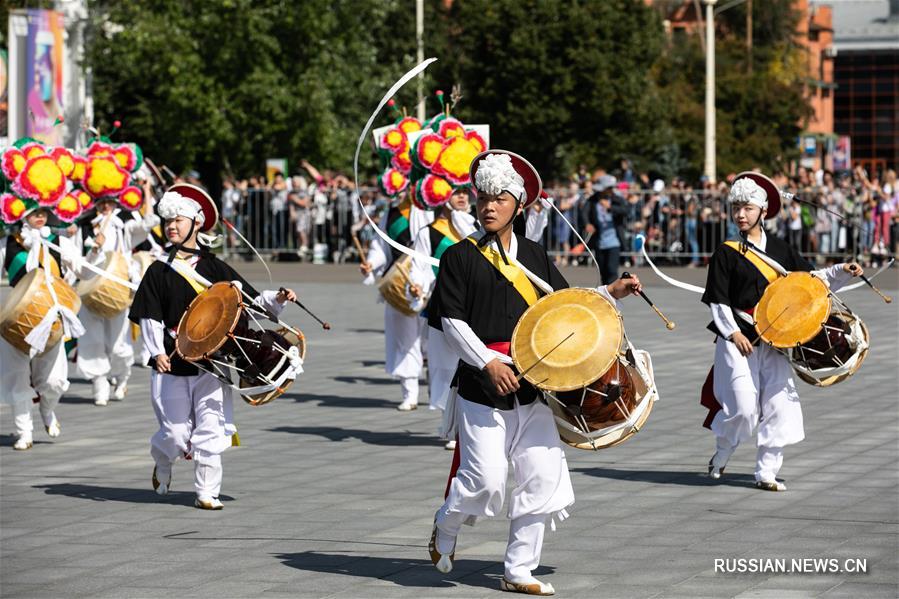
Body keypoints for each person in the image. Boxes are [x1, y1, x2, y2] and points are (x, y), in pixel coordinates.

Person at [426, 150, 641, 595]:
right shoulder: (458, 258)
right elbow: (451, 322)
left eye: (499, 198)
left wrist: (609, 292)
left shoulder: (535, 255)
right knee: (482, 480)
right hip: (481, 385)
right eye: (482, 196)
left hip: (536, 385)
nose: (488, 205)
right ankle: (445, 526)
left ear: (517, 205)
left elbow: (563, 308)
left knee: (541, 475)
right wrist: (486, 361)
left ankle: (518, 569)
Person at [128, 183, 297, 510]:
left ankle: (207, 491)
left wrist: (278, 297)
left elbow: (248, 300)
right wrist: (156, 352)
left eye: (178, 220)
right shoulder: (158, 269)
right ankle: (162, 457)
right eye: (168, 221)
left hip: (213, 362)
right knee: (176, 434)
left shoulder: (215, 267)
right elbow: (149, 316)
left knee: (210, 426)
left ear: (195, 223)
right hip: (173, 360)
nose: (172, 226)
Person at [701, 172, 863, 492]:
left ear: (763, 211)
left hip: (776, 340)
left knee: (779, 405)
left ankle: (766, 471)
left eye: (747, 208)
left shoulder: (780, 249)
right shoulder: (726, 251)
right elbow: (718, 301)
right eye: (736, 208)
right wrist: (734, 334)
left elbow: (809, 282)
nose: (740, 214)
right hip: (738, 338)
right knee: (745, 408)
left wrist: (841, 271)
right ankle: (723, 451)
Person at [1, 200, 83, 450]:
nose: (39, 217)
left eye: (42, 212)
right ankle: (23, 431)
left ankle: (47, 409)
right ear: (21, 215)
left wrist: (87, 256)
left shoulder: (59, 242)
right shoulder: (9, 245)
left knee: (54, 380)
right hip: (18, 319)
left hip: (52, 317)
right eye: (33, 213)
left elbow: (82, 271)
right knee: (17, 377)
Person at [75, 194, 158, 405]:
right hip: (90, 293)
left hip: (117, 293)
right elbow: (78, 267)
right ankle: (99, 385)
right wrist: (94, 248)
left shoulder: (124, 228)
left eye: (109, 202)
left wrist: (147, 191)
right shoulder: (83, 229)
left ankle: (122, 378)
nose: (105, 206)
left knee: (118, 344)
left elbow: (150, 223)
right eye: (101, 203)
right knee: (92, 342)